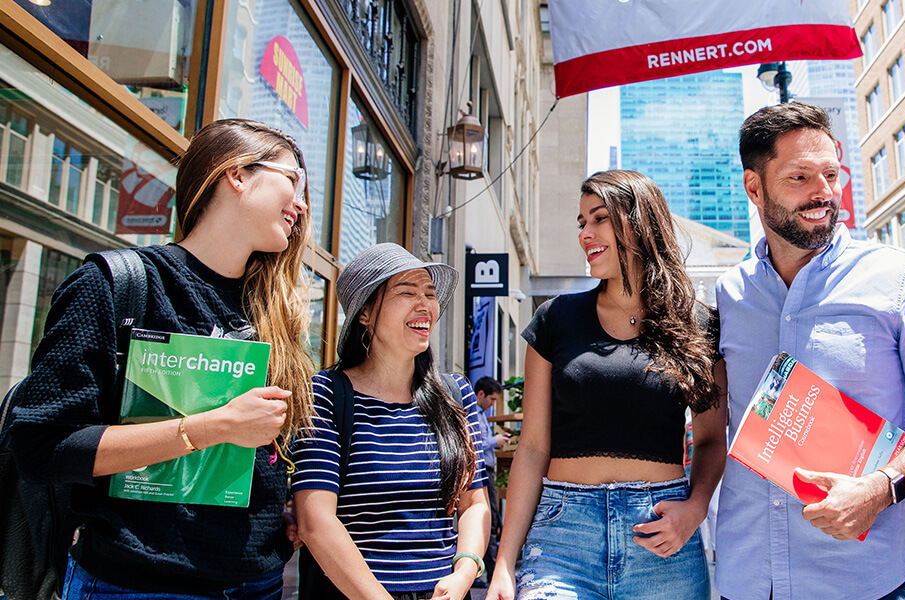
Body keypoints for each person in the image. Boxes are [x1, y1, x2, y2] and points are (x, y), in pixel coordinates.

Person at [9, 119, 316, 598]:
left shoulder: (274, 313)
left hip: (258, 582)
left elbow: (256, 453)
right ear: (236, 174)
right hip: (134, 583)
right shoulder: (117, 285)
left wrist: (277, 506)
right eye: (292, 180)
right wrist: (211, 427)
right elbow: (41, 446)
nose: (300, 203)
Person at [713, 101, 905, 600]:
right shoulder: (730, 294)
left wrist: (882, 487)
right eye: (800, 177)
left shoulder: (898, 279)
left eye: (831, 174)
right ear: (754, 187)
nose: (824, 193)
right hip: (748, 578)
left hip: (863, 579)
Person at [487, 170, 728, 600]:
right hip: (563, 537)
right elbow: (532, 447)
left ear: (640, 222)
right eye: (582, 222)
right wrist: (504, 562)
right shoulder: (556, 319)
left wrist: (696, 508)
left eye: (599, 218)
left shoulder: (699, 324)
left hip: (662, 535)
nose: (586, 233)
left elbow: (712, 439)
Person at [292, 243, 491, 600]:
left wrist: (464, 571)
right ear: (365, 313)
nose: (425, 305)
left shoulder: (455, 394)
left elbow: (474, 503)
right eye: (406, 292)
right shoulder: (325, 393)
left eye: (429, 294)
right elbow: (315, 521)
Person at [473, 376, 510, 584]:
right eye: (492, 399)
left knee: (490, 519)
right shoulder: (473, 414)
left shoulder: (481, 415)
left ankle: (489, 570)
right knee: (489, 520)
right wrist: (494, 441)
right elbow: (473, 443)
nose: (493, 404)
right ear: (481, 394)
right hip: (481, 470)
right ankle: (489, 570)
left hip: (488, 470)